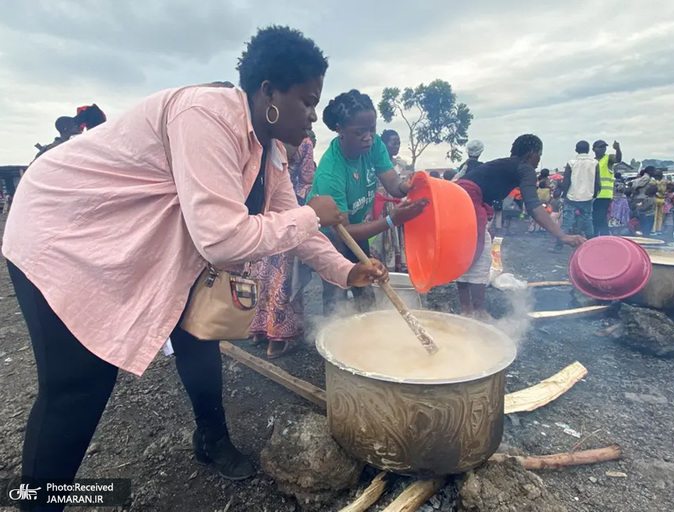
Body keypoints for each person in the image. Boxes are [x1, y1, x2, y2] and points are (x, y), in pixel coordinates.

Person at [2, 26, 389, 498]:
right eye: (307, 101)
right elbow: (223, 241)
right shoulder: (206, 117)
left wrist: (346, 271)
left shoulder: (269, 149)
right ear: (269, 91)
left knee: (199, 336)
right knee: (78, 386)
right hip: (64, 232)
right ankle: (38, 503)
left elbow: (289, 223)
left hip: (138, 243)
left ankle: (211, 438)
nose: (313, 116)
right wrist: (313, 215)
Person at [309, 89, 427, 315]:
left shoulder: (374, 146)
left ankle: (369, 332)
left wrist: (407, 185)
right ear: (339, 130)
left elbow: (393, 185)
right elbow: (343, 233)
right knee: (336, 289)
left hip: (355, 226)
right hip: (329, 234)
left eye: (372, 130)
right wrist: (391, 221)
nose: (368, 137)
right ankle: (333, 337)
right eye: (360, 132)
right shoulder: (330, 172)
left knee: (368, 281)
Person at [456, 134, 585, 318]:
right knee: (480, 252)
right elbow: (533, 206)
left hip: (458, 198)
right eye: (539, 154)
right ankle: (477, 312)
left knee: (466, 251)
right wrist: (562, 236)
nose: (539, 160)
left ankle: (466, 310)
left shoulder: (505, 163)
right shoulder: (524, 168)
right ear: (532, 153)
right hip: (469, 198)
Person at [250, 136, 318, 359]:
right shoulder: (304, 142)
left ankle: (259, 331)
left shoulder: (266, 137)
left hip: (264, 216)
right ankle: (277, 339)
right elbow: (307, 181)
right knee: (282, 281)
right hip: (289, 216)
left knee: (263, 276)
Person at [372, 129, 409, 272]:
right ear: (384, 144)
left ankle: (396, 268)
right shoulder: (376, 163)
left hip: (395, 205)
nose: (397, 146)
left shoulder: (400, 165)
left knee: (397, 237)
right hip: (381, 207)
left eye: (398, 143)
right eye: (393, 143)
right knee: (381, 236)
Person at [557, 141, 599, 247]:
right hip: (587, 197)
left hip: (572, 196)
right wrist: (594, 194)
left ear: (576, 150)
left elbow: (566, 182)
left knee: (567, 221)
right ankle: (592, 245)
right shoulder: (594, 163)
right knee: (588, 220)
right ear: (588, 150)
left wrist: (564, 194)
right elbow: (597, 182)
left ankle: (558, 246)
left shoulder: (571, 163)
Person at [591, 139, 622, 236]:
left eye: (604, 147)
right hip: (593, 194)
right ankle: (598, 236)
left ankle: (603, 237)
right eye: (600, 147)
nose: (603, 149)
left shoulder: (608, 158)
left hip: (604, 194)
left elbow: (618, 159)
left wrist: (618, 149)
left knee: (600, 217)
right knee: (595, 217)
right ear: (594, 149)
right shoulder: (592, 161)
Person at [652, 170, 667, 235]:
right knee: (660, 216)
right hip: (662, 199)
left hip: (655, 198)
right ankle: (659, 229)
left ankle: (653, 230)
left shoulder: (652, 182)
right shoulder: (664, 182)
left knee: (655, 215)